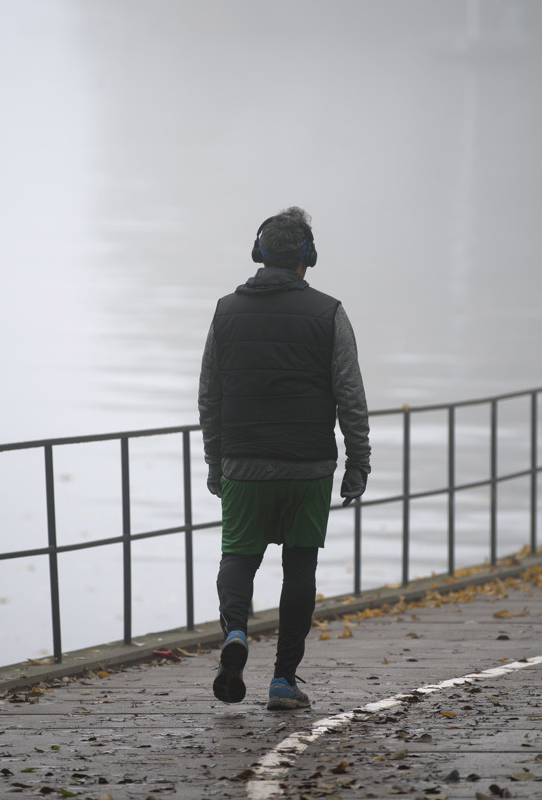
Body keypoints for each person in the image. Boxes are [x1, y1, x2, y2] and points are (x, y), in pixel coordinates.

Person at [198, 206, 371, 710]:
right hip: (308, 468)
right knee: (299, 568)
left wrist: (216, 463)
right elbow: (350, 396)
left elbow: (210, 396)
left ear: (258, 254)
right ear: (307, 258)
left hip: (244, 465)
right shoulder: (329, 312)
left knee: (238, 556)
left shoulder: (225, 311)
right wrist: (358, 463)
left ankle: (235, 633)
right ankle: (283, 681)